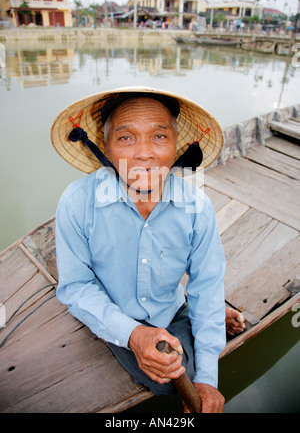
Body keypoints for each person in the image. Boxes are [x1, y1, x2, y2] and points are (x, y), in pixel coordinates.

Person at [51, 86, 244, 413]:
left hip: (168, 308)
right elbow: (76, 286)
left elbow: (207, 286)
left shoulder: (197, 207)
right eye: (126, 138)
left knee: (196, 375)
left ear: (176, 145)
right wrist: (131, 334)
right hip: (117, 312)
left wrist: (209, 380)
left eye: (159, 136)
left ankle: (204, 318)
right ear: (107, 147)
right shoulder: (77, 202)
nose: (144, 153)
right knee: (167, 382)